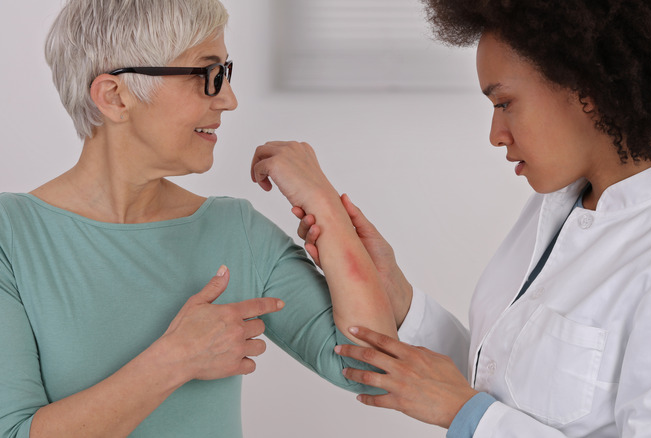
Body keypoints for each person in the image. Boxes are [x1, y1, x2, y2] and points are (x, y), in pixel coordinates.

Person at [256, 0, 651, 437]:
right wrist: (400, 298)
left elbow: (476, 406)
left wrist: (466, 414)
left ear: (586, 89)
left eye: (505, 103)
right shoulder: (558, 207)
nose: (496, 134)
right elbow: (501, 383)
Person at [0, 1, 397, 437]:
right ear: (115, 97)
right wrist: (176, 359)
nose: (228, 99)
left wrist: (325, 204)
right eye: (207, 75)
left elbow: (370, 366)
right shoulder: (11, 236)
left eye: (227, 72)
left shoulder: (235, 230)